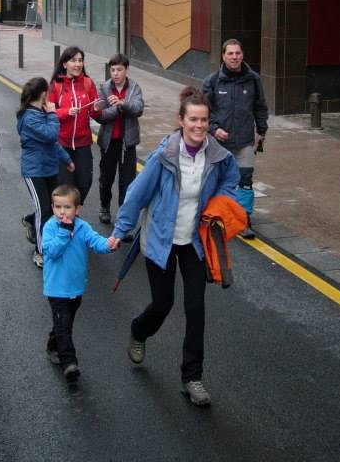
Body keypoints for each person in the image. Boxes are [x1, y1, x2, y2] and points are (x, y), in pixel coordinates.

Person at [111, 87, 239, 406]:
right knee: (162, 304)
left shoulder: (218, 156)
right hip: (161, 239)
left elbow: (230, 181)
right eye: (193, 119)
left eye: (204, 120)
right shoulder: (165, 155)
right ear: (181, 120)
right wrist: (120, 230)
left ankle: (191, 377)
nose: (199, 125)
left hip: (194, 241)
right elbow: (137, 194)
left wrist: (220, 204)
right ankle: (139, 330)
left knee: (196, 309)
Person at [42, 184, 116, 382]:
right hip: (56, 288)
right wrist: (64, 232)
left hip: (75, 287)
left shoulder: (82, 227)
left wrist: (108, 244)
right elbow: (51, 251)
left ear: (77, 209)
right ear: (52, 207)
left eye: (67, 207)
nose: (62, 212)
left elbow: (96, 242)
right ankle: (69, 362)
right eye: (58, 207)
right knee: (64, 324)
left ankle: (53, 344)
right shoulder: (50, 227)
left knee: (64, 323)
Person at [202, 39, 268, 239]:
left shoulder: (253, 79)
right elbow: (204, 111)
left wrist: (262, 131)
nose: (234, 57)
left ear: (242, 55)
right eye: (230, 53)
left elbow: (260, 106)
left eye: (237, 53)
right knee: (219, 180)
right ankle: (217, 215)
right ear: (223, 56)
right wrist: (214, 129)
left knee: (245, 181)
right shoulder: (212, 81)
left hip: (245, 142)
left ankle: (243, 220)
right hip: (220, 144)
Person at [17, 77, 74, 269]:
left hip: (50, 168)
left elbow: (52, 144)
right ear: (43, 94)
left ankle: (31, 220)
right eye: (48, 93)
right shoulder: (29, 118)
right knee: (44, 210)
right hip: (34, 171)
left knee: (50, 208)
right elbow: (51, 135)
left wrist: (66, 159)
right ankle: (40, 252)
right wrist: (52, 114)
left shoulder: (41, 113)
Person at [96, 54, 144, 225]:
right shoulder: (104, 88)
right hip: (109, 141)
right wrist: (117, 109)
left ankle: (123, 217)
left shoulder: (134, 87)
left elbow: (138, 109)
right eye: (113, 70)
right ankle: (105, 207)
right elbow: (100, 115)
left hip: (127, 143)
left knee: (127, 182)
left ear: (126, 70)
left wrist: (122, 103)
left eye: (119, 70)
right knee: (106, 178)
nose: (115, 73)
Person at [48, 46, 100, 204]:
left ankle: (74, 210)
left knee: (84, 182)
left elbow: (95, 114)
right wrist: (66, 112)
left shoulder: (88, 83)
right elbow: (49, 114)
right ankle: (68, 216)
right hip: (62, 144)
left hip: (83, 143)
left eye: (80, 60)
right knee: (65, 186)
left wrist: (97, 109)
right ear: (64, 64)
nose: (78, 64)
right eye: (73, 61)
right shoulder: (55, 85)